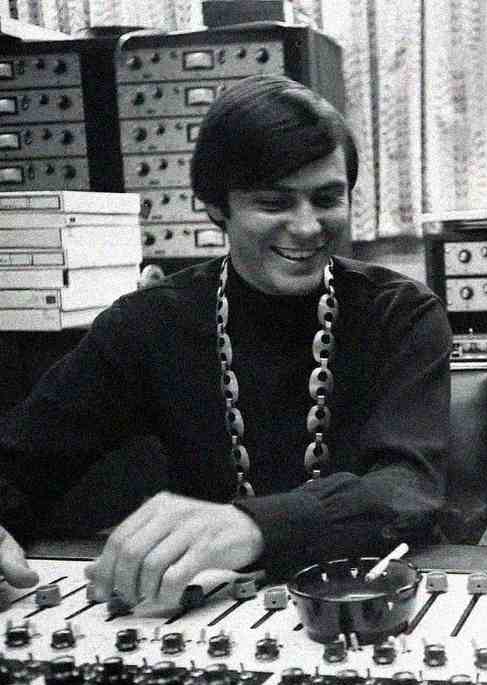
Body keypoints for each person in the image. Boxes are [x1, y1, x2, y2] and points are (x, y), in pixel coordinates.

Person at [0, 74, 452, 610]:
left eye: (327, 198)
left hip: (372, 591)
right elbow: (24, 460)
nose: (307, 227)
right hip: (207, 605)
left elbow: (408, 486)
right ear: (217, 206)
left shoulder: (402, 312)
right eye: (273, 203)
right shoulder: (146, 324)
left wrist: (253, 525)